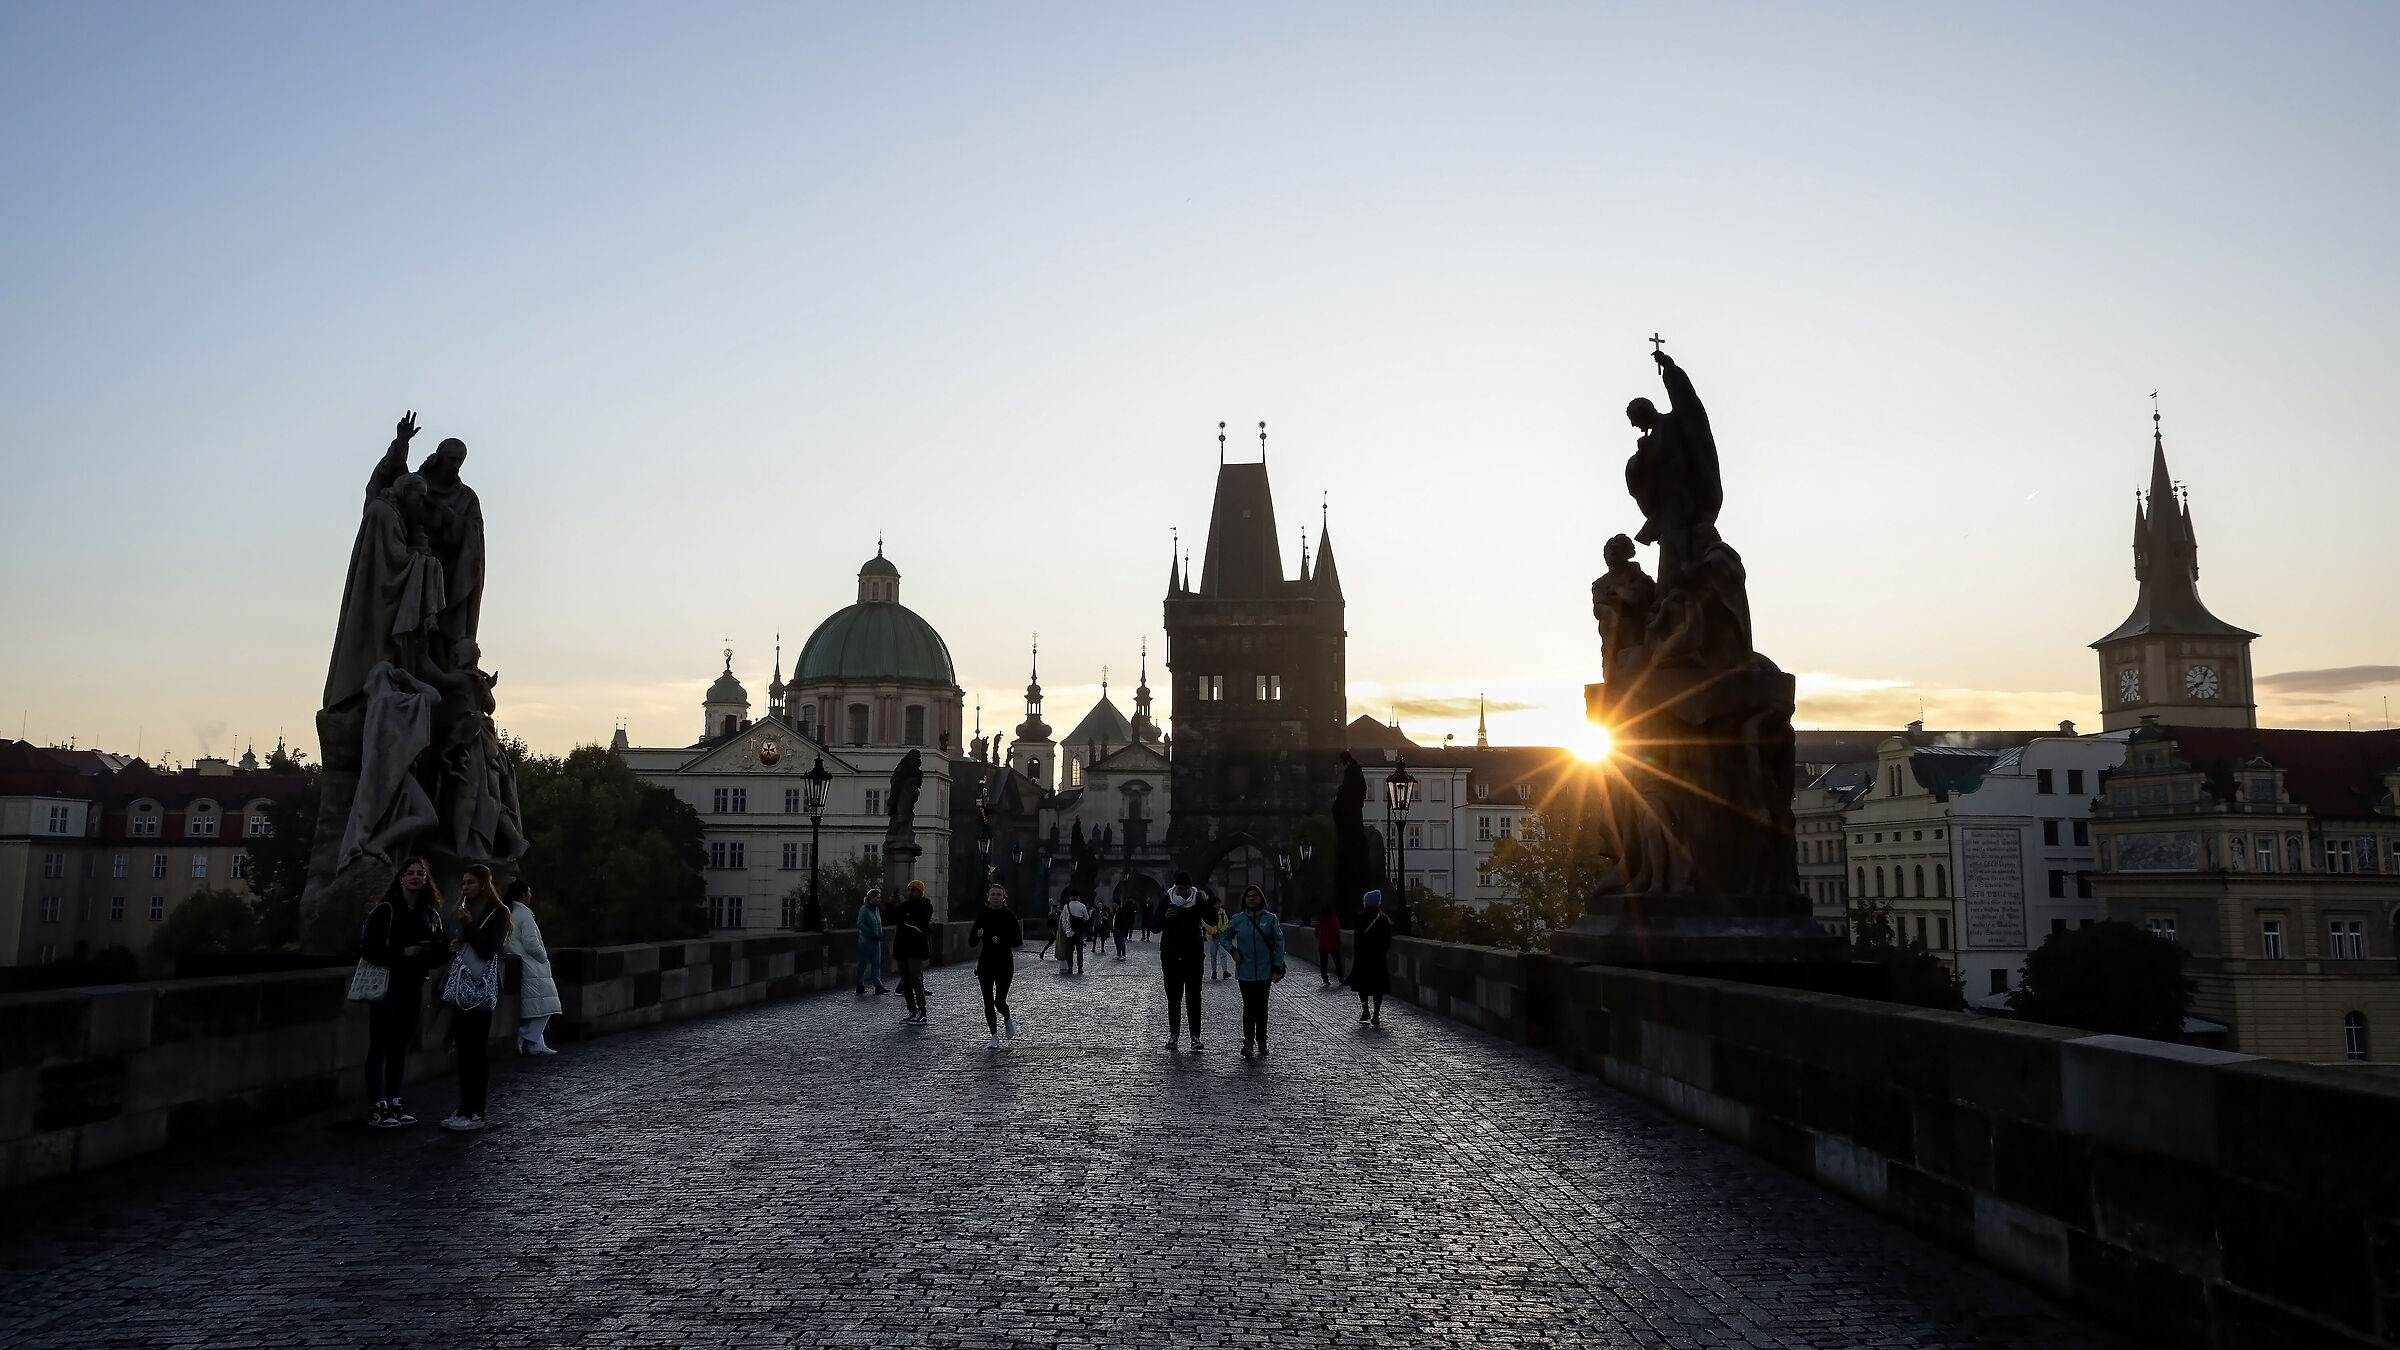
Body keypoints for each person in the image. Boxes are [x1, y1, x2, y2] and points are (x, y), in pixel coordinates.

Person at [358, 856, 445, 1128]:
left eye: (421, 873)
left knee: (400, 1046)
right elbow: (368, 948)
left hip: (414, 984)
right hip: (388, 985)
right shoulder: (386, 910)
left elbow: (437, 951)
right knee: (380, 1045)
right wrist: (401, 952)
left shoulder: (430, 913)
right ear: (401, 878)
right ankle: (376, 1105)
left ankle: (394, 1100)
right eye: (410, 873)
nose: (416, 877)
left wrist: (439, 951)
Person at [442, 863, 512, 1131]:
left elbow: (487, 949)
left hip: (481, 989)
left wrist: (469, 927)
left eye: (470, 882)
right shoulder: (463, 910)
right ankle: (463, 1106)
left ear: (484, 884)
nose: (465, 887)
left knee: (476, 1051)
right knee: (464, 1050)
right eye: (463, 883)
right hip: (461, 989)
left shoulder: (498, 912)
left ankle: (476, 1111)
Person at [1218, 884, 1287, 1057]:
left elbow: (1279, 945)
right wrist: (1233, 951)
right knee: (1249, 1007)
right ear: (1244, 899)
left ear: (1261, 898)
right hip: (1245, 972)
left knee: (1262, 1007)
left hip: (1265, 971)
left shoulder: (1271, 919)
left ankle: (1262, 1040)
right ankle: (1248, 1042)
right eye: (1249, 896)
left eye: (1255, 896)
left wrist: (1277, 967)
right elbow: (1224, 937)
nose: (1252, 898)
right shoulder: (1238, 919)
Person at [503, 879, 560, 1055]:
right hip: (532, 965)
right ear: (522, 895)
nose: (530, 895)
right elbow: (531, 943)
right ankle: (525, 1036)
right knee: (546, 1006)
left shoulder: (508, 912)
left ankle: (536, 1045)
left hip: (518, 961)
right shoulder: (524, 914)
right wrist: (543, 956)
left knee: (536, 1007)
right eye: (528, 892)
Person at [967, 884, 1023, 1048]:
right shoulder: (982, 916)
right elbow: (971, 942)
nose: (995, 897)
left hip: (1004, 963)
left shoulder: (1009, 916)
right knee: (988, 1001)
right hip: (986, 963)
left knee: (999, 1001)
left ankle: (1006, 1017)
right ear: (988, 897)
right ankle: (993, 1035)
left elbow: (1018, 941)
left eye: (999, 894)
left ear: (1003, 897)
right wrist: (977, 936)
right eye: (993, 894)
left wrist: (1002, 940)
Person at [1158, 872, 1208, 1051]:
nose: (1184, 893)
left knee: (1194, 996)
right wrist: (1165, 919)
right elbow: (1154, 926)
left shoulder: (1198, 899)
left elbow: (1212, 919)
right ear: (1175, 887)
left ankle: (1195, 1036)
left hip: (1194, 954)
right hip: (1171, 954)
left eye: (1186, 889)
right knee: (1174, 997)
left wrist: (1205, 901)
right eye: (1180, 889)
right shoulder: (1167, 899)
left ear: (1190, 887)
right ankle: (1174, 1034)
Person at [893, 879, 934, 1025]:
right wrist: (893, 904)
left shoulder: (925, 905)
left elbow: (919, 922)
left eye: (913, 890)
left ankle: (922, 1012)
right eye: (909, 890)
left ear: (920, 892)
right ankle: (912, 1010)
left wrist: (906, 913)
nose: (910, 893)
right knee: (905, 981)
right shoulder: (905, 905)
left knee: (916, 980)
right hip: (902, 948)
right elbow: (890, 919)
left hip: (915, 948)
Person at [1352, 890, 1395, 1027]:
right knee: (1378, 987)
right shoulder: (1384, 920)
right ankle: (1376, 1013)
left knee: (1362, 985)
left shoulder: (1360, 918)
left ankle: (1365, 1010)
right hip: (1378, 959)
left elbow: (1356, 939)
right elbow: (1388, 941)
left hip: (1363, 957)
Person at [855, 888, 887, 995]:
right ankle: (859, 984)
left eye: (879, 897)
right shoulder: (864, 910)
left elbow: (878, 924)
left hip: (876, 940)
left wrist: (878, 934)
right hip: (866, 940)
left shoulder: (876, 910)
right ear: (871, 898)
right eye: (877, 897)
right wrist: (871, 932)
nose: (879, 899)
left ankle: (878, 985)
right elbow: (860, 924)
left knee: (876, 963)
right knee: (863, 963)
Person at [1313, 907, 1346, 987]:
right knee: (1337, 963)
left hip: (1323, 944)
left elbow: (1316, 931)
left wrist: (1320, 938)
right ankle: (1341, 979)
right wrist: (1338, 941)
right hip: (1333, 944)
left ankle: (1325, 979)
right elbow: (1337, 931)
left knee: (1323, 964)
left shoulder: (1321, 919)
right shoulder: (1333, 919)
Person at [1060, 892, 1090, 975]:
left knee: (1070, 951)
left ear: (1071, 897)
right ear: (1078, 897)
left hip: (1070, 933)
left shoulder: (1066, 907)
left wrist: (1067, 931)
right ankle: (1080, 968)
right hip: (1079, 932)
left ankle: (1070, 968)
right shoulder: (1082, 906)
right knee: (1079, 951)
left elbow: (1063, 920)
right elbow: (1087, 917)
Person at [1112, 892, 1135, 961]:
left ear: (1116, 903)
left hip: (1119, 929)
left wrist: (1120, 928)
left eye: (1114, 903)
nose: (1113, 904)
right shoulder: (1116, 911)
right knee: (1117, 942)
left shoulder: (1121, 911)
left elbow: (1123, 921)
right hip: (1115, 929)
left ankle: (1123, 955)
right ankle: (1118, 954)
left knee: (1121, 942)